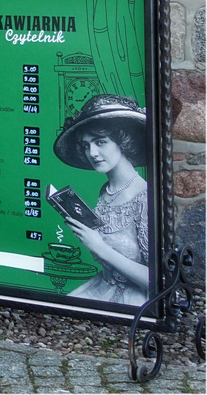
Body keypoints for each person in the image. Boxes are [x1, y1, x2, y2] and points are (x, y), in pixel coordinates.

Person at [51, 93, 151, 306]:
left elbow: (158, 282)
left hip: (136, 301)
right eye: (86, 145)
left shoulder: (144, 198)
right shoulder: (106, 191)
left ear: (123, 142)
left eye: (100, 142)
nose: (92, 153)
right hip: (102, 287)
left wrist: (99, 247)